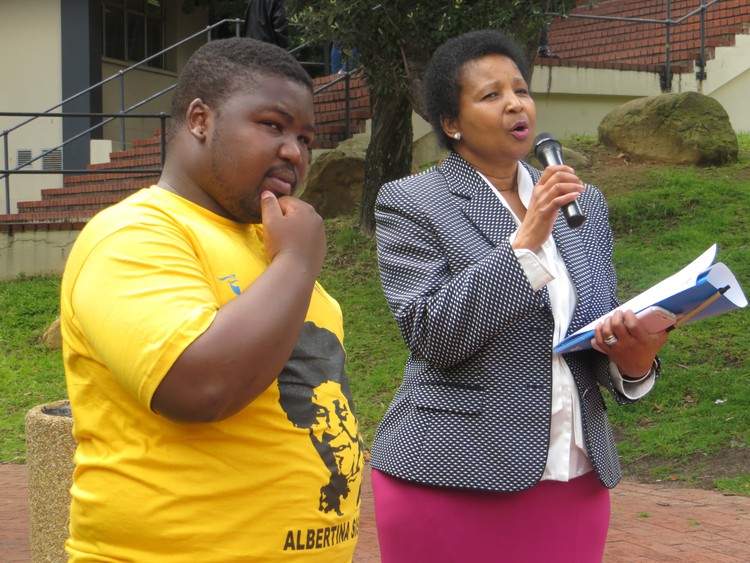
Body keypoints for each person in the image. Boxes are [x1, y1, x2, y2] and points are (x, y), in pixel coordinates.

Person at [369, 30, 669, 562]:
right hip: (451, 474)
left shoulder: (583, 205)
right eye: (490, 95)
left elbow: (589, 335)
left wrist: (634, 363)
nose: (514, 103)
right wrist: (526, 242)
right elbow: (432, 333)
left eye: (521, 90)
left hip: (574, 477)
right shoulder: (412, 201)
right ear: (451, 123)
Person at [61, 37, 364, 561]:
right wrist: (296, 262)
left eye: (305, 137)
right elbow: (200, 387)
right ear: (200, 119)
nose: (294, 150)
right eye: (273, 125)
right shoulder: (136, 234)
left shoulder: (272, 244)